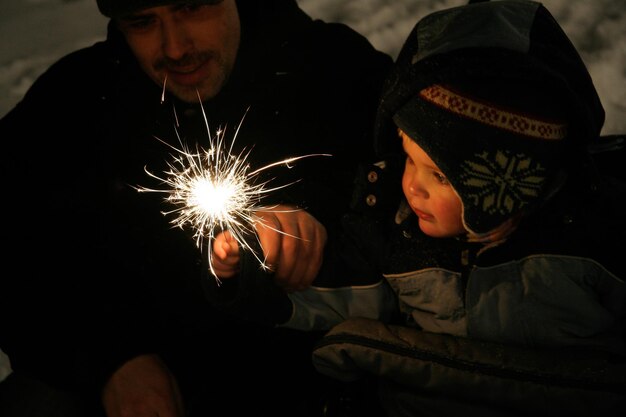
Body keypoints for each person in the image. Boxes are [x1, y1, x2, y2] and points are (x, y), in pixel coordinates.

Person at [0, 1, 393, 416]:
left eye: (192, 7)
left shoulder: (337, 70)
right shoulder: (73, 104)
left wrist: (323, 213)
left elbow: (430, 221)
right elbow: (15, 248)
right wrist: (109, 362)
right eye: (142, 21)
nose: (174, 48)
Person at [210, 0, 626, 361]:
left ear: (509, 182)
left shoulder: (592, 237)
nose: (413, 187)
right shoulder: (395, 234)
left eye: (441, 175)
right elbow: (340, 293)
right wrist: (257, 263)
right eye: (410, 159)